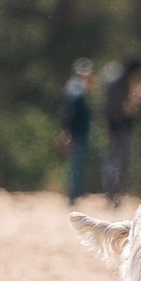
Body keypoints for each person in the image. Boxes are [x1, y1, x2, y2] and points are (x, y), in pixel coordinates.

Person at [101, 58, 141, 205]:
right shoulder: (120, 86)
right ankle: (112, 193)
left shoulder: (116, 85)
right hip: (119, 129)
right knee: (116, 163)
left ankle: (113, 193)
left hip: (116, 129)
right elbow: (123, 110)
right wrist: (135, 100)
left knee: (116, 163)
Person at [59, 59, 96, 203]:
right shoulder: (76, 88)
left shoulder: (75, 87)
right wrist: (67, 131)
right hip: (76, 132)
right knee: (75, 164)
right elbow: (70, 112)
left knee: (76, 164)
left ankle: (75, 193)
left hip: (78, 132)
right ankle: (72, 195)